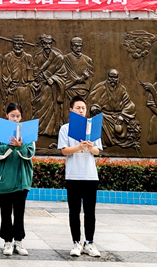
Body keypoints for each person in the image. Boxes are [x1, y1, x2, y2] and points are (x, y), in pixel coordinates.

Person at [57, 96, 102, 258]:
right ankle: (76, 242)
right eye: (78, 108)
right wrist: (78, 147)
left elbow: (97, 151)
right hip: (73, 175)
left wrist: (90, 147)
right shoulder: (65, 129)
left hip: (90, 176)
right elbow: (64, 151)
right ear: (71, 110)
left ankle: (89, 242)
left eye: (83, 108)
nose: (81, 110)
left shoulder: (93, 128)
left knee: (90, 212)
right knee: (74, 211)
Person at [0, 102, 34, 256]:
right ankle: (7, 241)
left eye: (18, 116)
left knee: (19, 212)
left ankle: (19, 241)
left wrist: (20, 146)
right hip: (5, 180)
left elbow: (30, 153)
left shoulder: (27, 132)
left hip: (22, 181)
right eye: (12, 116)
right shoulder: (0, 131)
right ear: (7, 116)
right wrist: (11, 146)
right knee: (5, 212)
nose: (15, 119)